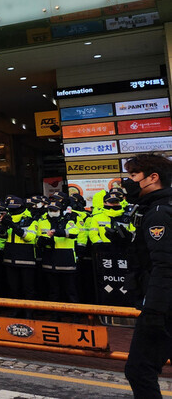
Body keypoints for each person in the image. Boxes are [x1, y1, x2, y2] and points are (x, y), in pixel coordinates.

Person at [120, 154, 172, 398]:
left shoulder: (158, 213)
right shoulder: (156, 208)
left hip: (163, 307)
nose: (127, 181)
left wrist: (153, 311)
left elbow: (164, 265)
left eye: (133, 175)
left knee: (139, 370)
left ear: (153, 177)